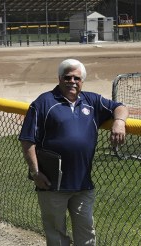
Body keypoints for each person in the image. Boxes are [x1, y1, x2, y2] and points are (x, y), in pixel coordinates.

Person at [19, 59, 128, 246]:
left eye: (76, 78)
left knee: (86, 234)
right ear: (60, 79)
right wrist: (36, 173)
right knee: (56, 235)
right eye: (67, 77)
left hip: (83, 185)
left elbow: (120, 107)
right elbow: (27, 140)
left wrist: (119, 122)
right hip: (51, 184)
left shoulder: (91, 101)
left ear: (82, 81)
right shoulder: (43, 102)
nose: (72, 81)